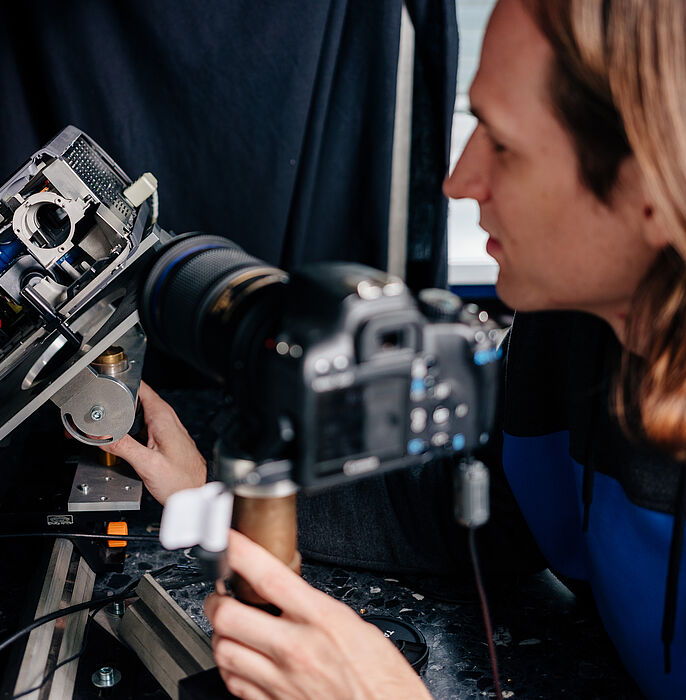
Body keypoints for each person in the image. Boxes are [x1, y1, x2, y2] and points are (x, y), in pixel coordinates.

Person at [103, 0, 686, 696]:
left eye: (503, 144)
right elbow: (466, 495)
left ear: (651, 182)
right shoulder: (576, 330)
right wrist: (219, 492)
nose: (459, 183)